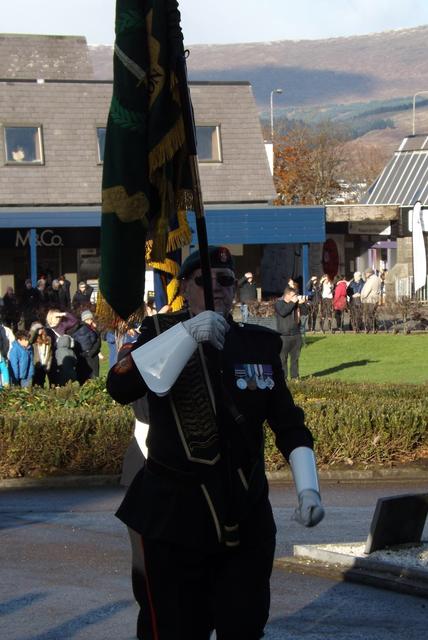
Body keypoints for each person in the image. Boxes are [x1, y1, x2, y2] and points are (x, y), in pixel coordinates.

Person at [107, 245, 324, 640]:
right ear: (185, 288)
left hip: (244, 515)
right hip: (174, 518)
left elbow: (289, 425)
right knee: (172, 631)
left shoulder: (258, 345)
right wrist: (187, 334)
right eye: (203, 281)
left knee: (243, 625)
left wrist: (308, 488)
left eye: (226, 281)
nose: (217, 289)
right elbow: (120, 386)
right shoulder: (158, 334)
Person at [274, 286, 305, 380]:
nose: (295, 297)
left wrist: (302, 304)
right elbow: (283, 312)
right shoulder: (279, 303)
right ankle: (283, 378)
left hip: (296, 335)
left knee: (295, 359)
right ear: (287, 295)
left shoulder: (295, 304)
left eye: (296, 295)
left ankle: (295, 377)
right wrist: (293, 302)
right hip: (284, 336)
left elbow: (305, 313)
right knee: (283, 359)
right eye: (293, 295)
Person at [69, 310, 101, 383]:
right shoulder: (90, 330)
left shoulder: (75, 329)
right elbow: (97, 342)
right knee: (94, 378)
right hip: (91, 356)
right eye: (90, 319)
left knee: (82, 379)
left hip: (80, 357)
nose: (91, 320)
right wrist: (96, 330)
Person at [29, 322, 53, 387]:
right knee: (35, 383)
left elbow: (50, 353)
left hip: (45, 364)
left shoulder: (48, 339)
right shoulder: (34, 340)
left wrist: (48, 364)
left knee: (42, 383)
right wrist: (34, 330)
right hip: (36, 364)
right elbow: (29, 340)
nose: (39, 330)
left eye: (40, 328)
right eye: (37, 329)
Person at [361, 268, 381, 333]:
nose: (365, 275)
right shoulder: (376, 278)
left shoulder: (372, 280)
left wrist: (363, 297)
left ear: (369, 273)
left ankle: (369, 329)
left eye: (366, 273)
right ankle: (374, 328)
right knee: (373, 314)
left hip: (369, 299)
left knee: (368, 315)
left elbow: (367, 290)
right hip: (374, 299)